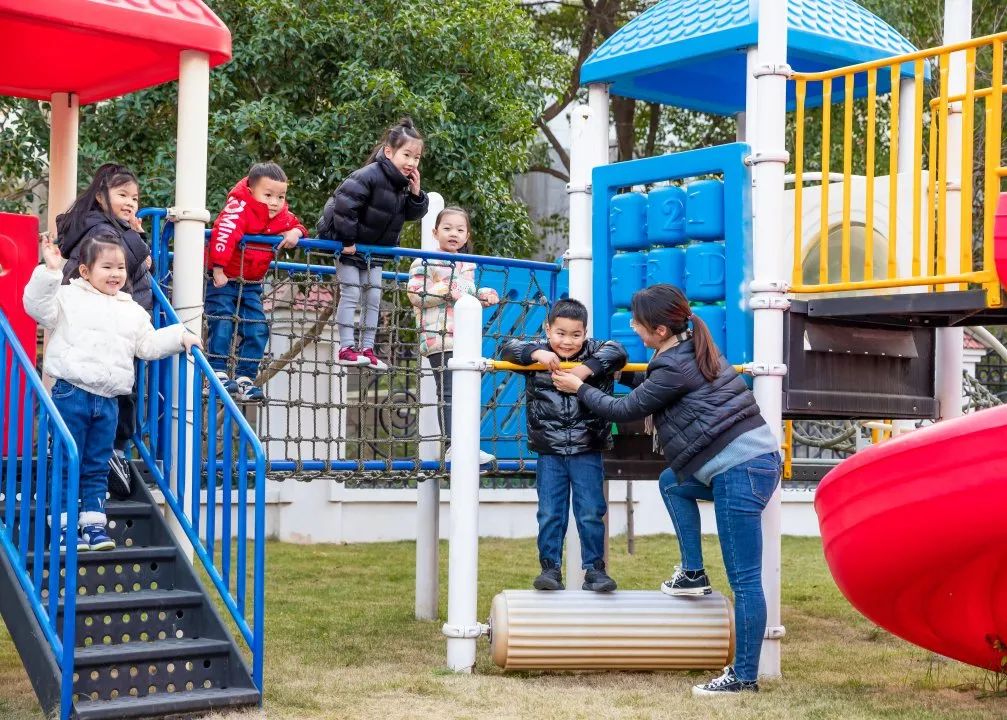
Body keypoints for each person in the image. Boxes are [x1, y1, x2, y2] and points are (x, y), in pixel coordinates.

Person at [551, 284, 782, 696]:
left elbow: (626, 411)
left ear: (658, 330)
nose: (633, 328)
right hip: (747, 463)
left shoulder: (673, 365)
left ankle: (744, 677)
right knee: (672, 482)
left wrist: (580, 388)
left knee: (745, 581)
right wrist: (599, 374)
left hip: (739, 470)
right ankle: (692, 573)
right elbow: (643, 393)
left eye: (638, 323)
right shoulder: (687, 348)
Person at [24, 234, 201, 551]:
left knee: (97, 464)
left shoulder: (131, 310)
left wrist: (179, 337)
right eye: (106, 266)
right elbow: (37, 308)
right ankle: (64, 526)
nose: (115, 273)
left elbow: (146, 345)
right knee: (66, 462)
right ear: (85, 271)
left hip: (108, 401)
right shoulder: (68, 298)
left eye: (120, 267)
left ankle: (93, 524)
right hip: (71, 394)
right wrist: (50, 271)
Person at [501, 299, 627, 593]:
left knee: (590, 510)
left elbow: (618, 352)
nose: (567, 341)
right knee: (550, 512)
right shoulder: (538, 355)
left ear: (585, 333)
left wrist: (587, 369)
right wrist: (537, 353)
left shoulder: (596, 351)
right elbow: (508, 348)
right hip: (550, 452)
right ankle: (550, 569)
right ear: (548, 329)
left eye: (575, 334)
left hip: (587, 448)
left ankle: (595, 570)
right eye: (560, 333)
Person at [55, 163, 152, 495]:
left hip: (121, 329)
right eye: (122, 194)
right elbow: (116, 263)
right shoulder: (101, 232)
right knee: (113, 396)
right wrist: (139, 242)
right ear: (100, 196)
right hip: (107, 331)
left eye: (135, 197)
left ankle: (110, 457)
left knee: (120, 392)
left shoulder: (113, 228)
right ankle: (111, 455)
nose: (130, 203)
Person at [317, 117, 429, 370]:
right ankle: (346, 347)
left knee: (374, 296)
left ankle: (367, 348)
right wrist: (347, 240)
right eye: (406, 154)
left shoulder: (403, 184)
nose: (411, 162)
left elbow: (410, 215)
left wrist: (416, 194)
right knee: (352, 291)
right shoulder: (369, 175)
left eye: (417, 157)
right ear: (389, 152)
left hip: (373, 250)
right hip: (349, 246)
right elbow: (345, 205)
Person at [205, 162, 306, 401]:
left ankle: (244, 378)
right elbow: (224, 233)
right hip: (225, 278)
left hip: (251, 284)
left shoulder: (281, 216)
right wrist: (218, 268)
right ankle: (216, 373)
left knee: (258, 328)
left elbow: (298, 224)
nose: (274, 202)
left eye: (280, 197)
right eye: (268, 195)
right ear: (251, 191)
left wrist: (296, 233)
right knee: (222, 322)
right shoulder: (238, 207)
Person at [406, 206, 499, 463]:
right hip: (439, 337)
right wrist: (449, 288)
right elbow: (416, 294)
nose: (453, 234)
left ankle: (466, 443)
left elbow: (466, 291)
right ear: (436, 233)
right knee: (448, 392)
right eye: (447, 228)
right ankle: (452, 446)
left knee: (467, 391)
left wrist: (482, 294)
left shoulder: (466, 263)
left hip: (464, 337)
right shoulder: (425, 260)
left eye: (460, 230)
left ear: (467, 236)